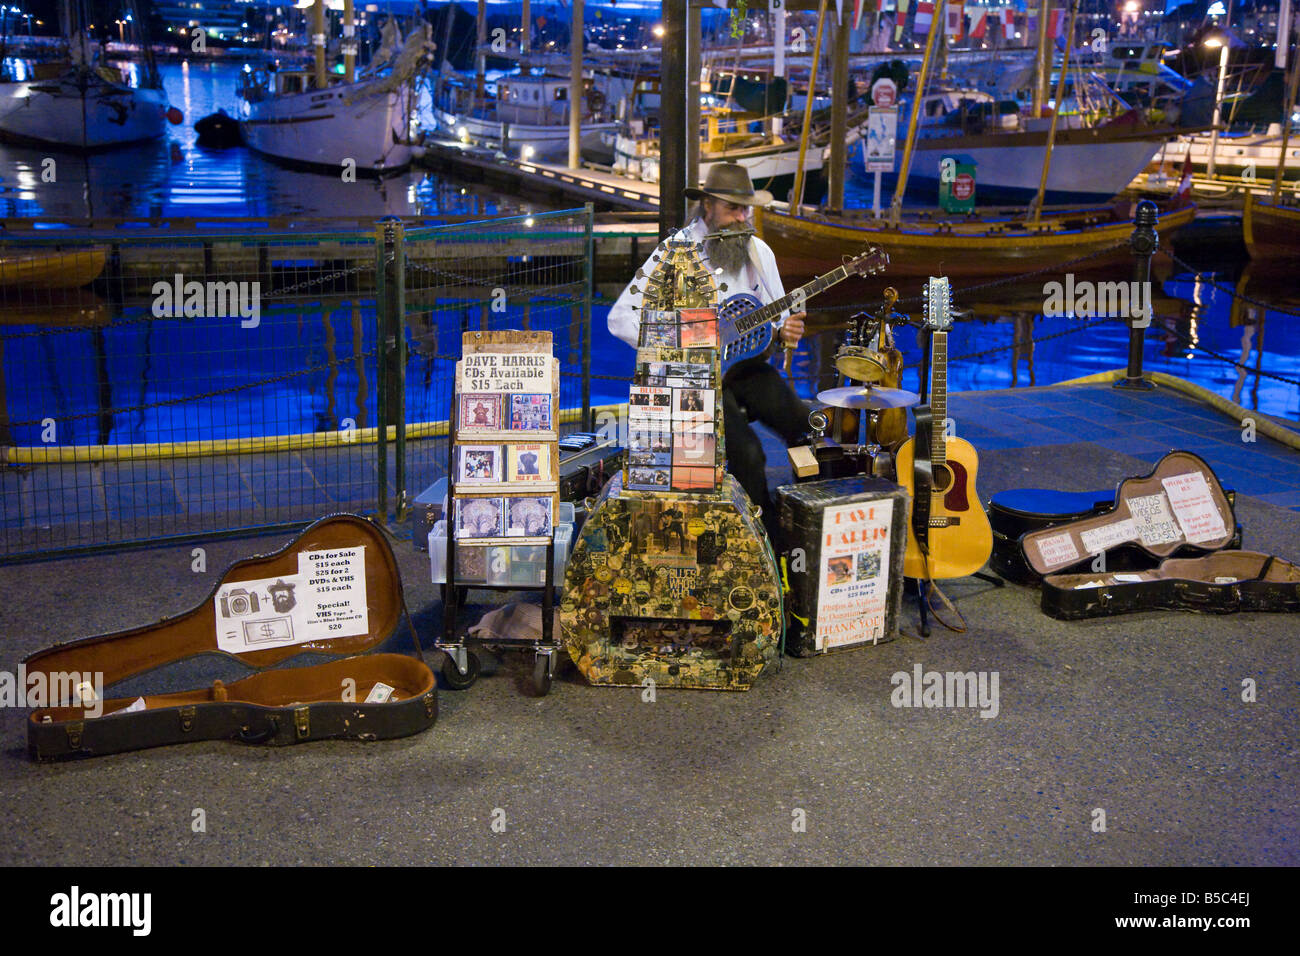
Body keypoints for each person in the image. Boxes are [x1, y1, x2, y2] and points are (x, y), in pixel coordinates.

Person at [608, 163, 809, 536]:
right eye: (733, 208)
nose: (742, 217)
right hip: (696, 381)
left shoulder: (758, 252)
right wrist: (686, 348)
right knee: (748, 454)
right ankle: (760, 537)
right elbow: (620, 319)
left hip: (745, 367)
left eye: (745, 208)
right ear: (708, 206)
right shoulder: (674, 253)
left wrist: (786, 330)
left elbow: (779, 318)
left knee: (806, 425)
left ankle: (807, 517)